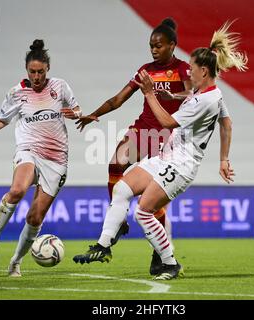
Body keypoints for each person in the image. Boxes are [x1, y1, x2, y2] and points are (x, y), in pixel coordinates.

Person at [73, 21, 247, 280]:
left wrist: (151, 94)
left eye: (193, 69)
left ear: (203, 71)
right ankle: (103, 246)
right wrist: (223, 159)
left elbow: (167, 122)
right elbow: (227, 123)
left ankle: (168, 261)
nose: (189, 73)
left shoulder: (203, 97)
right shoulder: (210, 94)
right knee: (122, 187)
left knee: (144, 211)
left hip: (180, 164)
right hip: (165, 155)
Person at [75, 18, 193, 275]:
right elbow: (119, 98)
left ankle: (159, 253)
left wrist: (170, 96)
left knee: (154, 203)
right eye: (151, 45)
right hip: (143, 130)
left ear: (172, 45)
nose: (154, 50)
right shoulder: (145, 71)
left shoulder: (183, 69)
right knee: (116, 161)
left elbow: (192, 96)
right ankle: (117, 224)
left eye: (159, 46)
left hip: (167, 138)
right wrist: (94, 114)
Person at [0, 39, 83, 277]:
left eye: (41, 72)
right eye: (32, 72)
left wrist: (75, 114)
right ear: (27, 70)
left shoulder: (60, 86)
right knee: (17, 190)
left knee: (35, 217)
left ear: (48, 69)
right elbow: (1, 120)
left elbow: (77, 110)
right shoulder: (16, 93)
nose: (36, 76)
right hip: (29, 150)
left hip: (56, 160)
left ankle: (15, 261)